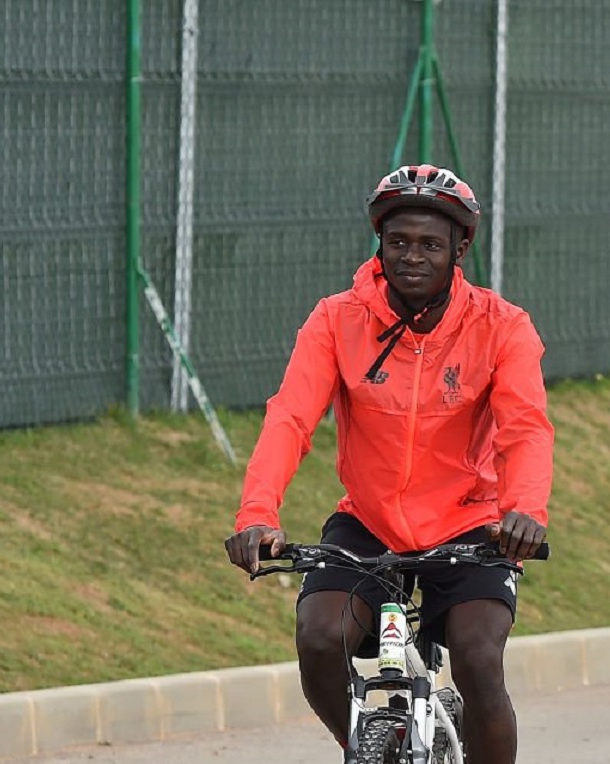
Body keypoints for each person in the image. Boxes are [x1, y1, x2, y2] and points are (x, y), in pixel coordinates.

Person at [224, 164, 554, 764]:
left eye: (431, 243)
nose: (412, 257)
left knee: (479, 662)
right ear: (379, 243)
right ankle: (370, 748)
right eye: (397, 241)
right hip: (368, 522)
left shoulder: (502, 327)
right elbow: (290, 419)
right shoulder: (336, 319)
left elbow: (524, 428)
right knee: (319, 637)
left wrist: (524, 509)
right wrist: (257, 512)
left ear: (461, 247)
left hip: (470, 525)